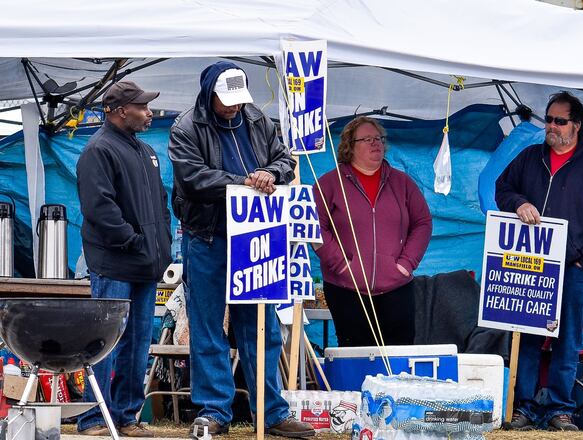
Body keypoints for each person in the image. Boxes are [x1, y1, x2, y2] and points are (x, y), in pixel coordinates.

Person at [168, 61, 314, 437]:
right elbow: (193, 177)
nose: (233, 107)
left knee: (261, 328)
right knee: (208, 327)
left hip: (256, 238)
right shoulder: (186, 127)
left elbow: (285, 159)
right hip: (207, 237)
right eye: (226, 100)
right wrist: (245, 181)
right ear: (208, 94)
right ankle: (215, 410)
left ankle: (271, 412)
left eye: (238, 99)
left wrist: (274, 174)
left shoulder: (259, 121)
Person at [495, 91, 583, 431]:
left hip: (574, 271)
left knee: (568, 340)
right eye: (548, 119)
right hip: (531, 267)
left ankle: (561, 409)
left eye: (559, 120)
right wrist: (518, 203)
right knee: (529, 338)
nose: (551, 125)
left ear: (576, 126)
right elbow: (502, 187)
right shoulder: (529, 157)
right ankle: (524, 406)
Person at [76, 81, 171, 437]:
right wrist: (133, 241)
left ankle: (127, 416)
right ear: (119, 111)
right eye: (142, 107)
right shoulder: (98, 149)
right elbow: (99, 208)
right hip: (115, 262)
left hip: (145, 264)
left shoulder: (146, 151)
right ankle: (93, 418)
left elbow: (161, 203)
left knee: (137, 342)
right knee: (105, 342)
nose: (149, 113)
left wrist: (159, 246)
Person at [314, 116, 432, 347]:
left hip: (397, 287)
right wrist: (341, 265)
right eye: (367, 139)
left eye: (378, 138)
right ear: (349, 146)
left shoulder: (403, 182)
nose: (375, 143)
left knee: (399, 355)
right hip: (346, 288)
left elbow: (423, 223)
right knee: (355, 355)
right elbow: (315, 229)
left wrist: (406, 263)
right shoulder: (328, 184)